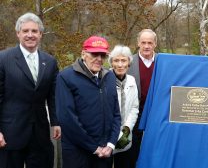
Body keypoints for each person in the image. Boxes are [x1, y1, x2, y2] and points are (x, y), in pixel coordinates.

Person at [0, 12, 61, 168]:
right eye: (25, 31)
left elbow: (53, 96)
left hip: (40, 134)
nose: (30, 35)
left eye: (34, 31)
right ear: (18, 33)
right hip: (10, 134)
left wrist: (55, 122)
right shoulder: (3, 59)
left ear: (41, 34)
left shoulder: (50, 62)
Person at [55, 36, 121, 168]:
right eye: (94, 54)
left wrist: (111, 144)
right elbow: (67, 118)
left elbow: (116, 114)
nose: (99, 59)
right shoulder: (66, 77)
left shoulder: (110, 77)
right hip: (77, 153)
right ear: (83, 53)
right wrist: (93, 147)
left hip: (104, 152)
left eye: (102, 55)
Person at [127, 28, 157, 167]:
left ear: (154, 44)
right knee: (132, 152)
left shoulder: (163, 62)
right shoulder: (128, 63)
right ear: (138, 43)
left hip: (156, 114)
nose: (146, 46)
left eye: (149, 43)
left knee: (154, 150)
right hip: (135, 113)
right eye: (143, 42)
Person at [108, 45, 139, 168]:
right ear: (111, 63)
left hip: (125, 135)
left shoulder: (132, 80)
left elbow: (134, 107)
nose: (120, 65)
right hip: (107, 135)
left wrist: (126, 129)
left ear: (129, 63)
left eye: (123, 60)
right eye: (116, 60)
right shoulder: (104, 80)